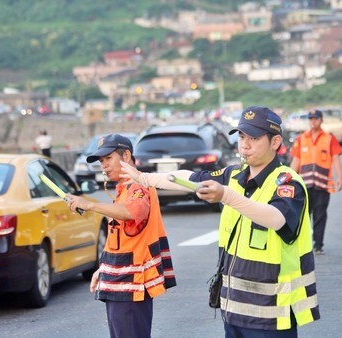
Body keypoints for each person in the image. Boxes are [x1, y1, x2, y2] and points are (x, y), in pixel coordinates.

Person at [120, 106, 320, 337]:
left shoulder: (286, 182)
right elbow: (189, 178)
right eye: (242, 136)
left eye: (254, 138)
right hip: (234, 310)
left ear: (275, 142)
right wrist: (144, 178)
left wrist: (226, 196)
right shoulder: (235, 175)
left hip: (272, 315)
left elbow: (276, 218)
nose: (244, 145)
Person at [65, 134, 176, 338]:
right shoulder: (122, 190)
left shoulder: (138, 186)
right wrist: (103, 269)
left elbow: (134, 212)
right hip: (120, 284)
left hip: (132, 288)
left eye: (108, 158)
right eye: (101, 161)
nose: (104, 166)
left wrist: (90, 205)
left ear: (126, 155)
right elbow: (120, 239)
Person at [289, 109, 342, 255]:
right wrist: (288, 178)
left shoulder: (329, 138)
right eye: (311, 119)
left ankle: (318, 244)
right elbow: (296, 160)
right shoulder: (302, 139)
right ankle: (303, 243)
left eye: (316, 119)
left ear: (321, 120)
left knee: (320, 215)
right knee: (304, 215)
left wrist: (340, 177)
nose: (313, 121)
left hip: (322, 184)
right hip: (305, 185)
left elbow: (336, 158)